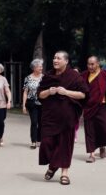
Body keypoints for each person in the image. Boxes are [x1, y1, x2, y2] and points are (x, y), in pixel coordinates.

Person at [37, 51, 89, 185]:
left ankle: (64, 173)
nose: (55, 60)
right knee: (47, 143)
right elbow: (40, 95)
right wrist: (49, 91)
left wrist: (66, 92)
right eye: (54, 58)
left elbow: (83, 94)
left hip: (68, 117)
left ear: (66, 61)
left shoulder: (74, 76)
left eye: (58, 58)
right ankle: (53, 165)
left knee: (65, 145)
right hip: (50, 117)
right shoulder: (48, 76)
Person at [81, 56, 106, 163]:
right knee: (89, 130)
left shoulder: (105, 75)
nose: (90, 66)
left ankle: (102, 146)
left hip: (102, 106)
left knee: (104, 129)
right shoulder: (85, 75)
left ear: (97, 64)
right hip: (89, 107)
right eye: (88, 64)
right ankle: (91, 154)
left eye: (92, 64)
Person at [22, 58, 43, 149]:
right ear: (34, 68)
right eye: (39, 66)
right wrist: (23, 105)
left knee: (41, 122)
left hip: (43, 103)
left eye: (41, 66)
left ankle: (39, 140)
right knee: (34, 122)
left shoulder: (44, 77)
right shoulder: (28, 78)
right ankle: (33, 141)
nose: (41, 68)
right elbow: (25, 92)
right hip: (32, 103)